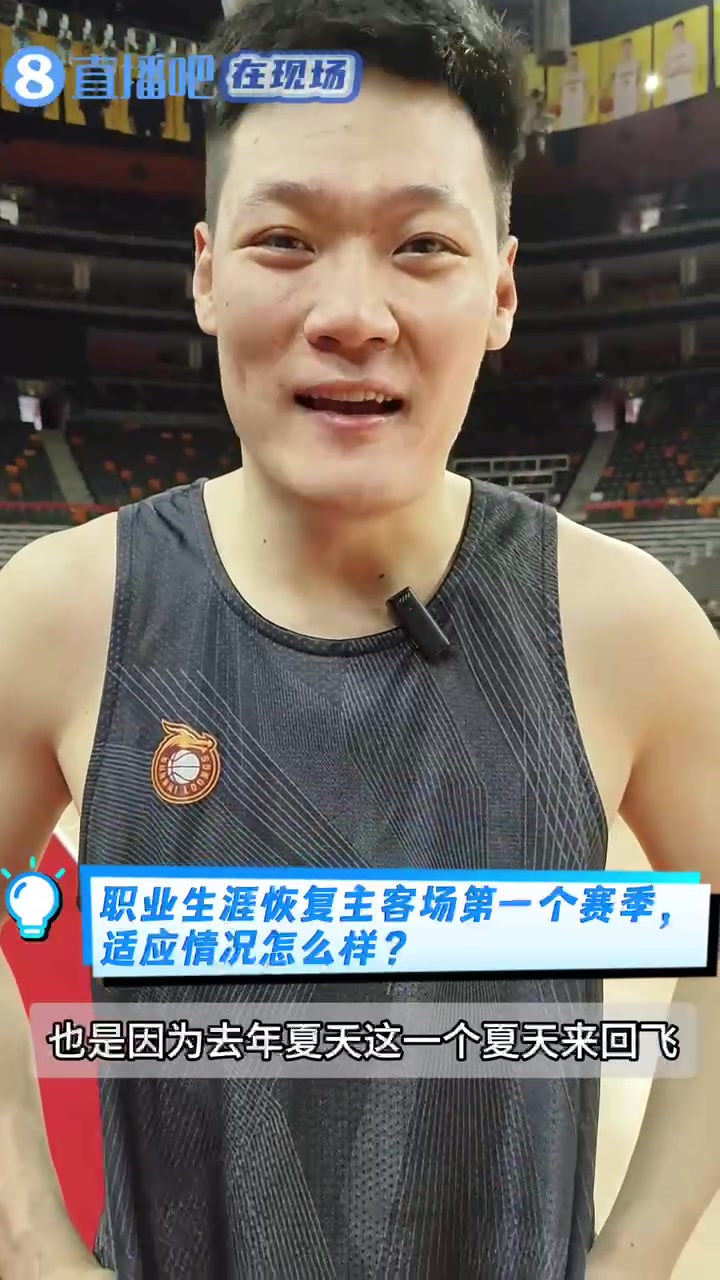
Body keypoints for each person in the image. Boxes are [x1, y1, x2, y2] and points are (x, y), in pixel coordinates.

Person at [0, 1, 718, 1278]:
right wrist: (31, 1237)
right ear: (207, 272)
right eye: (285, 238)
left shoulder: (628, 624)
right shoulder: (61, 610)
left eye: (422, 245)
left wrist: (639, 1254)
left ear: (501, 290)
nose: (352, 312)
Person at [662, 18, 697, 106]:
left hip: (686, 92)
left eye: (681, 29)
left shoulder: (690, 46)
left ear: (684, 30)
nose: (679, 32)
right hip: (671, 95)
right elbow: (665, 73)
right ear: (674, 32)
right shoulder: (669, 51)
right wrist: (677, 69)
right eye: (677, 30)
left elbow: (691, 67)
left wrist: (675, 70)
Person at [609, 36, 642, 120]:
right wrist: (612, 107)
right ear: (621, 49)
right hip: (620, 105)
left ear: (632, 48)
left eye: (629, 46)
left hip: (632, 104)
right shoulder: (616, 67)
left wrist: (638, 102)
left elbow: (639, 84)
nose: (627, 49)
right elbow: (612, 86)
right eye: (625, 47)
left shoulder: (636, 64)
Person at [557, 49, 590, 130]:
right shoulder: (563, 77)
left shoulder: (582, 74)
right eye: (571, 60)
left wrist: (587, 106)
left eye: (575, 60)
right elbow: (559, 94)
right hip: (566, 112)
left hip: (579, 111)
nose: (573, 62)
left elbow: (587, 91)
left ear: (577, 60)